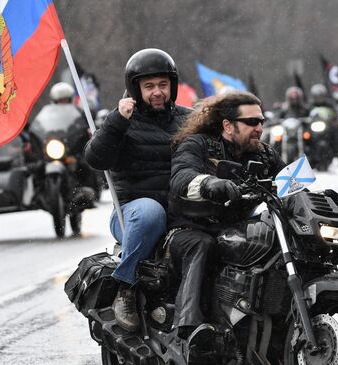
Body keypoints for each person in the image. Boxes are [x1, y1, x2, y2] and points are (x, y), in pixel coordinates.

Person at [167, 91, 285, 346]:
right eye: (252, 122)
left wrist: (326, 200)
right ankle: (190, 332)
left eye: (261, 121)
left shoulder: (264, 155)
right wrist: (209, 182)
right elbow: (181, 176)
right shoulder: (198, 145)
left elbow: (290, 182)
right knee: (203, 245)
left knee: (272, 243)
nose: (259, 128)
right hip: (189, 229)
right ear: (228, 126)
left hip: (233, 229)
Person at [84, 48, 191, 331]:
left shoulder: (189, 120)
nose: (158, 92)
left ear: (173, 86)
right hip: (133, 214)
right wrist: (117, 123)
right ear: (135, 89)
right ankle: (125, 287)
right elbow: (96, 159)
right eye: (149, 86)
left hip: (182, 212)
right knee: (150, 212)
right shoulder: (120, 120)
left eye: (163, 85)